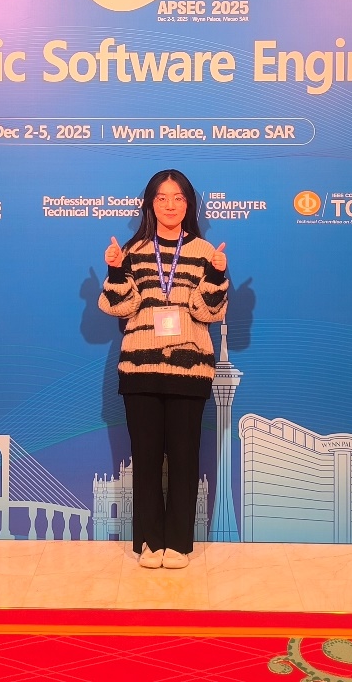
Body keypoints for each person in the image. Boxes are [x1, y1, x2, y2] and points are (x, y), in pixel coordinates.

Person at [99, 169, 228, 569]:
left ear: (189, 204)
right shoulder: (134, 251)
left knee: (186, 459)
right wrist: (116, 270)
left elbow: (210, 311)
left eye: (178, 198)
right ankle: (149, 542)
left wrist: (217, 274)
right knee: (146, 459)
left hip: (190, 369)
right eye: (161, 198)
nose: (170, 205)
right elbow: (119, 307)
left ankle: (179, 544)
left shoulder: (206, 252)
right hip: (140, 369)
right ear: (150, 204)